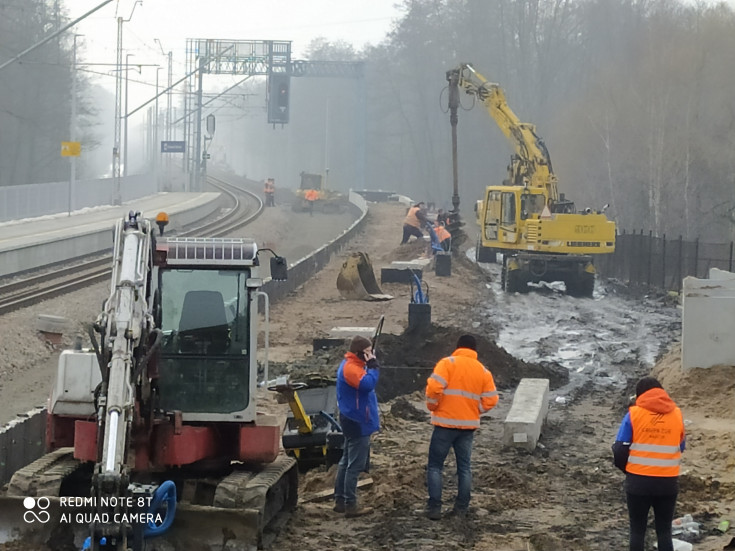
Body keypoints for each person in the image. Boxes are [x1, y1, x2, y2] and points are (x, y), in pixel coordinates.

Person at [424, 334, 498, 520]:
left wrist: (433, 406)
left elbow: (433, 389)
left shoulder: (447, 363)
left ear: (458, 347)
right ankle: (461, 508)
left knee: (435, 466)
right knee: (464, 468)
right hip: (468, 427)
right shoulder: (483, 371)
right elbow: (492, 399)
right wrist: (474, 410)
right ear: (474, 350)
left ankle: (434, 508)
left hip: (444, 425)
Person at [612, 377, 686, 551]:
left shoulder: (634, 414)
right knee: (664, 532)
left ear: (640, 396)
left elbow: (620, 449)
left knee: (637, 531)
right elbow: (680, 446)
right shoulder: (677, 414)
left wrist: (628, 470)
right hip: (668, 483)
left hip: (638, 482)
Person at [334, 335, 380, 518]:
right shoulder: (352, 369)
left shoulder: (352, 365)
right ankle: (350, 504)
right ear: (359, 353)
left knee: (346, 461)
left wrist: (369, 366)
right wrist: (374, 368)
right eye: (368, 352)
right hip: (357, 421)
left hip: (353, 418)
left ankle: (340, 500)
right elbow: (367, 384)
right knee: (354, 465)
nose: (371, 355)